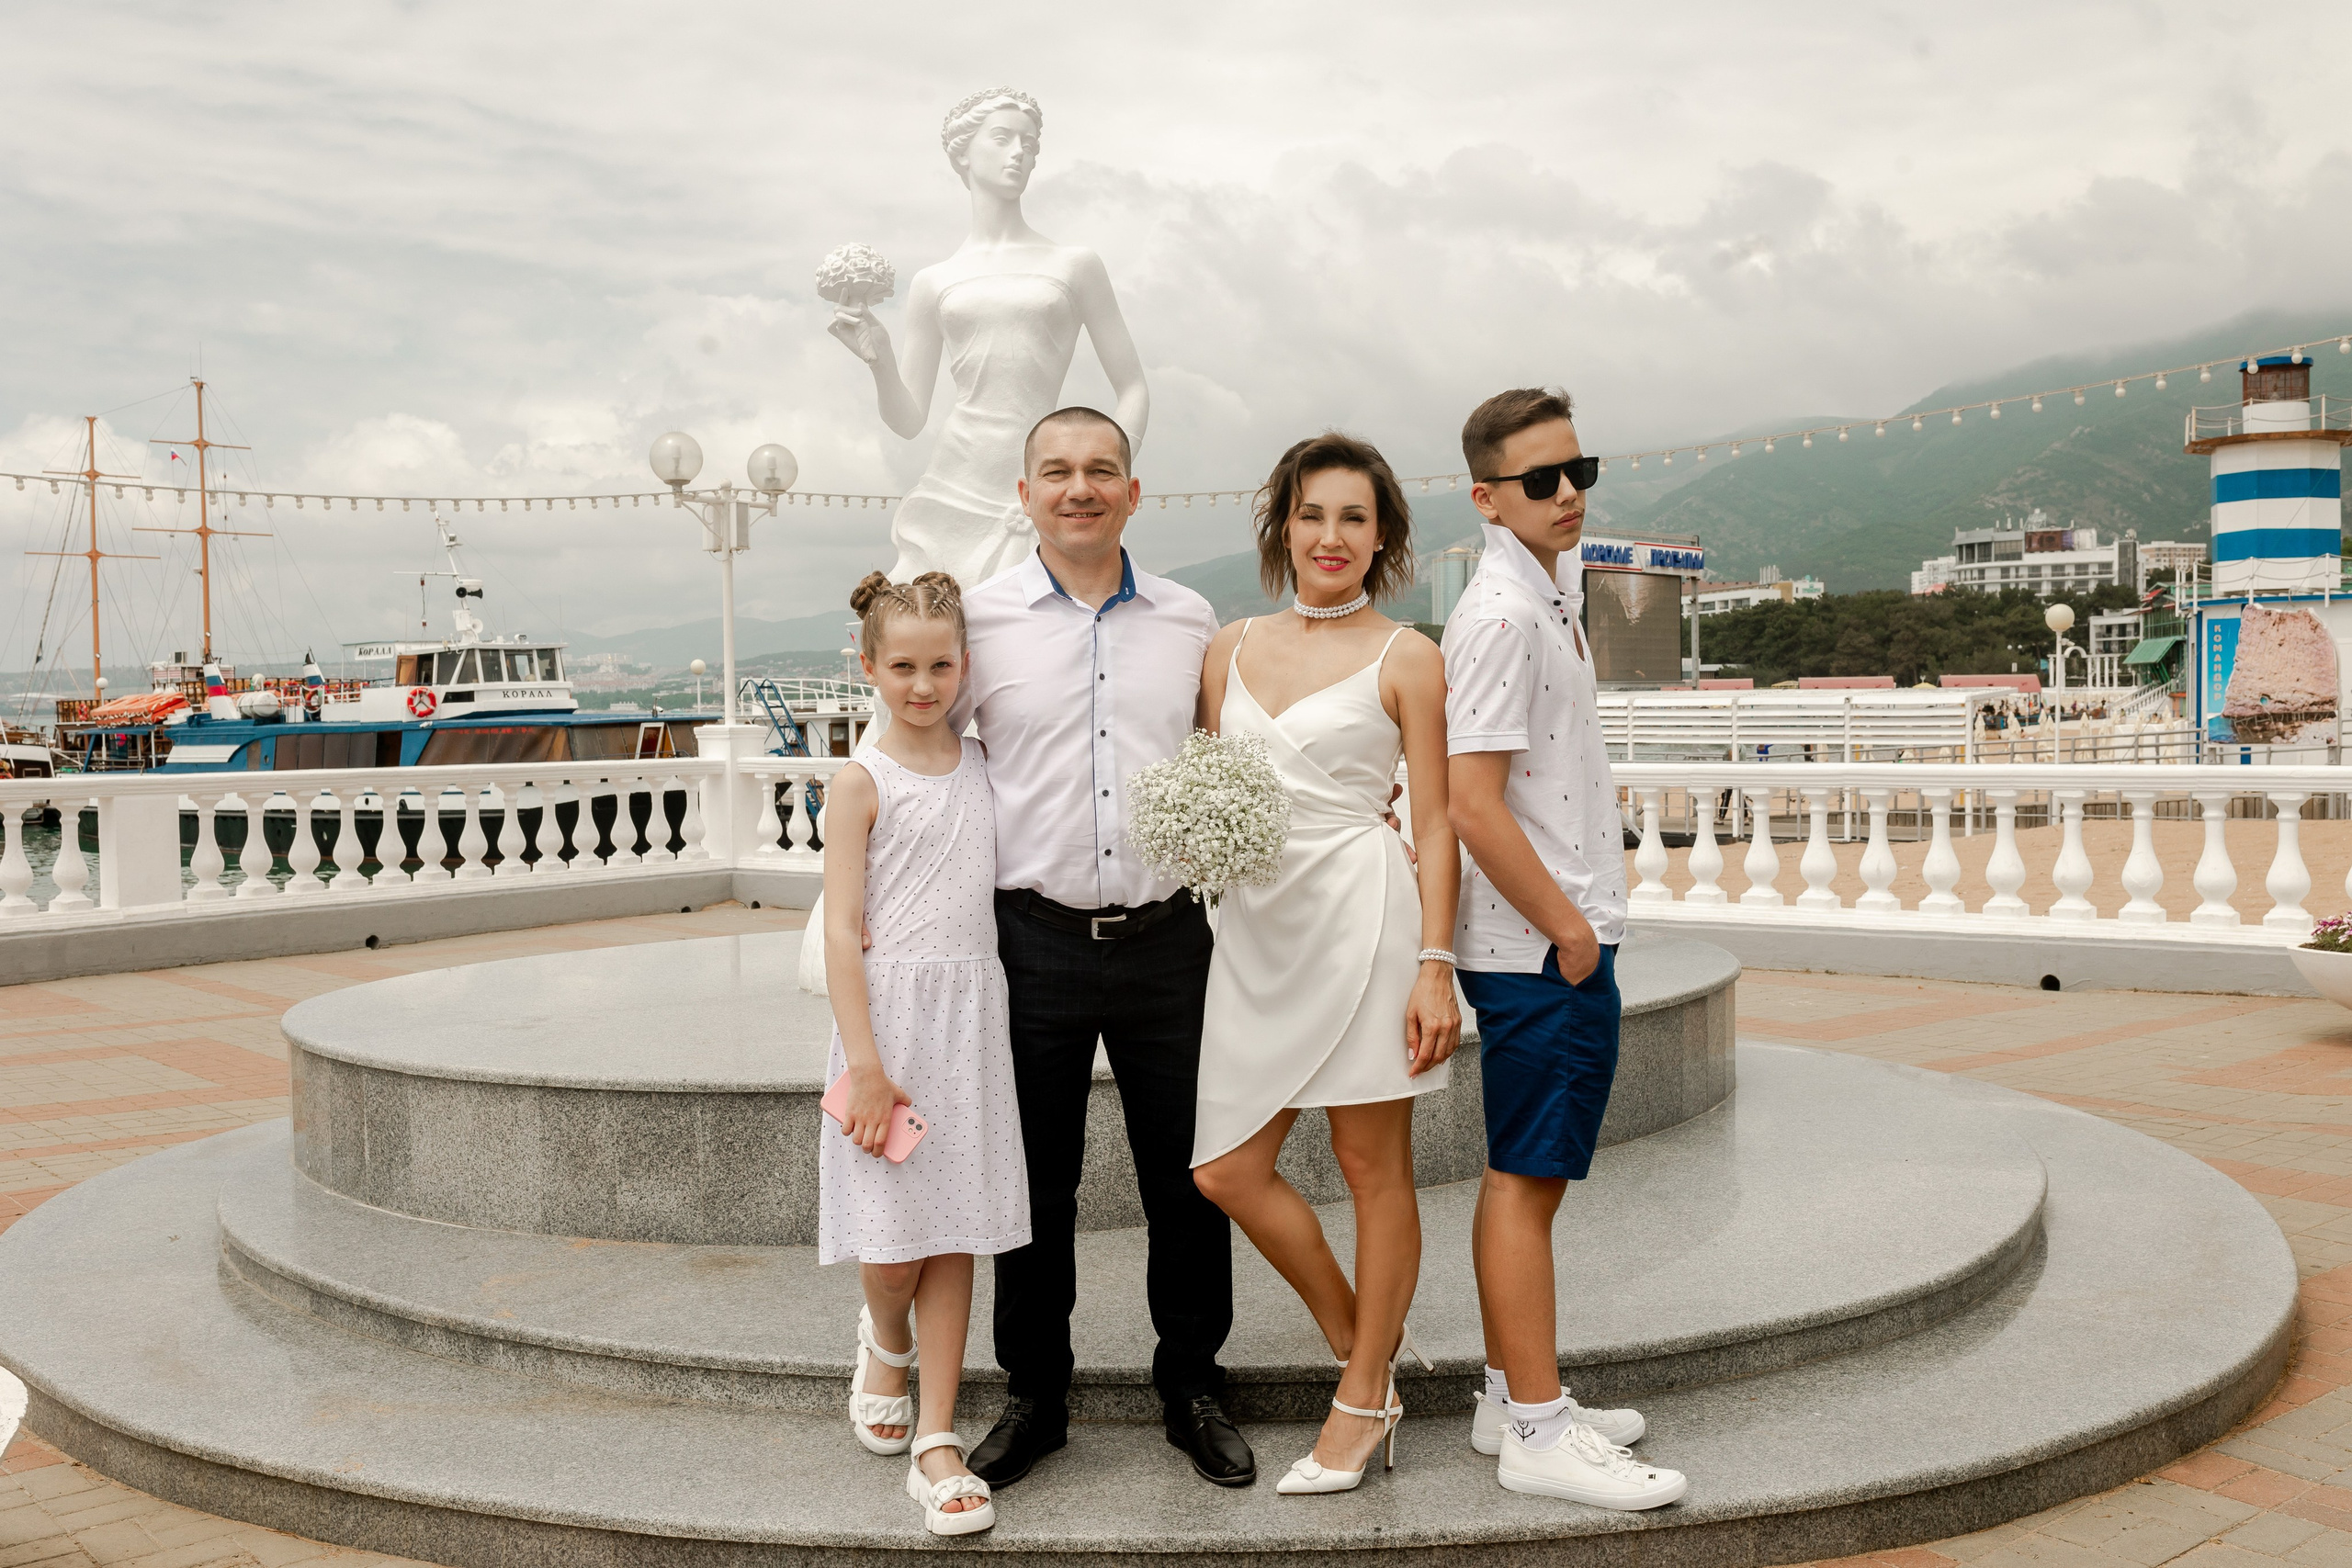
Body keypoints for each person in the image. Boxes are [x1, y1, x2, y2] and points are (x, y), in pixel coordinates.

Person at [955, 406, 1253, 1490]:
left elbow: (1228, 762)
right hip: (1025, 938)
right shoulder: (977, 621)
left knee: (1191, 1176)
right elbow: (928, 769)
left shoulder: (1189, 620)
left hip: (1169, 938)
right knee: (1033, 1182)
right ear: (1024, 493)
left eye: (1101, 470)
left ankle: (1193, 1383)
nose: (1079, 487)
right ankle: (1035, 1395)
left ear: (1134, 493)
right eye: (1056, 471)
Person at [1188, 434, 1462, 1495]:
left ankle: (1356, 1400)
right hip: (1256, 933)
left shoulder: (1409, 657)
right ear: (1282, 527)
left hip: (1365, 918)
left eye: (1354, 517)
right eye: (1312, 514)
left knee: (1369, 1168)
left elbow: (1434, 825)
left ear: (1383, 535)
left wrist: (1433, 963)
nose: (1331, 536)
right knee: (1226, 1170)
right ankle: (1369, 1354)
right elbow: (1213, 795)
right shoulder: (1227, 646)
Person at [1442, 388, 1688, 1511]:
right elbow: (1472, 805)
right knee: (1524, 1181)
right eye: (1541, 480)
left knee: (1530, 1178)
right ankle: (1538, 1432)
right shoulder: (1500, 615)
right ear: (1488, 497)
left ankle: (1513, 1395)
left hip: (1551, 940)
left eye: (1578, 469)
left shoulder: (1552, 595)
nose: (1569, 493)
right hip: (1538, 949)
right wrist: (1570, 932)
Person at [819, 570, 1031, 1539]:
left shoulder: (988, 765)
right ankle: (885, 1335)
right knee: (893, 1246)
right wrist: (864, 1063)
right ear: (868, 666)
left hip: (969, 1022)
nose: (922, 683)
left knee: (954, 1231)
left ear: (964, 666)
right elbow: (839, 931)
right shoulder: (861, 782)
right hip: (890, 1026)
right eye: (901, 665)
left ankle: (936, 1437)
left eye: (941, 664)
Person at [827, 88, 1150, 587]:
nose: (1019, 152)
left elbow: (1133, 387)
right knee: (936, 637)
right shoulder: (934, 281)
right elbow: (909, 420)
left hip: (1041, 479)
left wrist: (1100, 471)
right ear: (963, 152)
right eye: (1001, 138)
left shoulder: (1074, 265)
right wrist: (880, 361)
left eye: (1029, 143)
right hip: (957, 478)